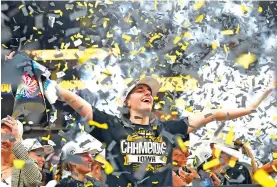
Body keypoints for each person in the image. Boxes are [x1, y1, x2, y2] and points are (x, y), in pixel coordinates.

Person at [6, 51, 275, 186]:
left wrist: (260, 97)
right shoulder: (110, 125)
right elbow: (76, 101)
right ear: (127, 101)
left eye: (150, 91)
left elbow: (214, 115)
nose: (147, 93)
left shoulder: (171, 128)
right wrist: (45, 81)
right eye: (140, 90)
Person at [1, 116, 42, 187]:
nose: (3, 140)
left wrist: (16, 140)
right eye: (1, 135)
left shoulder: (23, 166)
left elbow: (34, 181)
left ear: (18, 139)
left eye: (9, 136)